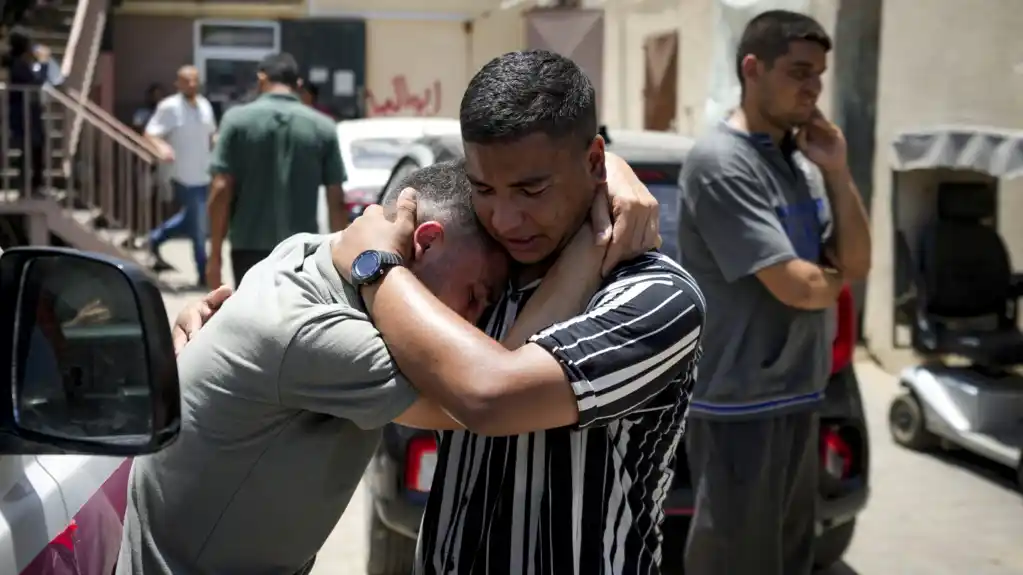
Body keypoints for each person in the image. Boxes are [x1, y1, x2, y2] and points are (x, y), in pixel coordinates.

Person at [172, 51, 697, 575]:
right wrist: (223, 322)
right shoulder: (475, 274)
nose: (506, 219)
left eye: (532, 190)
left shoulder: (655, 299)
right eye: (484, 190)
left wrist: (374, 267)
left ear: (591, 161)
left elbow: (489, 395)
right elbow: (297, 299)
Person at [116, 160, 616, 574]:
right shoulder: (319, 335)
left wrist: (604, 168)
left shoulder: (306, 252)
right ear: (426, 239)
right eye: (476, 294)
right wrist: (595, 242)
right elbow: (488, 392)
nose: (475, 317)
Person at [677, 11, 871, 575]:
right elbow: (799, 286)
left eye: (819, 76)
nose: (813, 88)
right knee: (735, 562)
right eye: (799, 72)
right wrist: (824, 281)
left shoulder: (802, 162)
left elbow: (854, 262)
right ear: (752, 69)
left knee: (788, 560)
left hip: (798, 395)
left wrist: (836, 171)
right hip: (739, 406)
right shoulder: (722, 162)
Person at [207, 53, 347, 289]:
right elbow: (336, 198)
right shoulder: (323, 126)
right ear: (298, 84)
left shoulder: (236, 120)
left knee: (252, 317)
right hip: (302, 250)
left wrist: (215, 257)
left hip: (248, 248)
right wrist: (341, 259)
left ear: (262, 79)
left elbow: (221, 188)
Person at [144, 65, 217, 286]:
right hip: (183, 176)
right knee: (199, 228)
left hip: (204, 175)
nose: (192, 84)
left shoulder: (204, 105)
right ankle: (203, 273)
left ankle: (154, 239)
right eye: (187, 81)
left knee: (191, 220)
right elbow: (150, 133)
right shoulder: (169, 107)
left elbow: (211, 135)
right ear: (178, 83)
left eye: (195, 80)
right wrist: (162, 147)